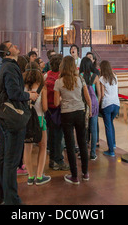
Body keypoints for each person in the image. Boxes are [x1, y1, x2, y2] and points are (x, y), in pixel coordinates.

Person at [0, 41, 38, 205]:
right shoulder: (11, 67)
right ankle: (12, 200)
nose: (16, 46)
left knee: (3, 157)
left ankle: (1, 196)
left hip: (3, 116)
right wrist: (29, 96)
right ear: (7, 53)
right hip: (12, 118)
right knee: (11, 160)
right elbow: (13, 92)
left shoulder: (3, 67)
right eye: (11, 45)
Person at [54, 55, 91, 185]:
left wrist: (62, 99)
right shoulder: (80, 79)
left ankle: (74, 176)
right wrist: (90, 109)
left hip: (66, 114)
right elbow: (87, 97)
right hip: (80, 112)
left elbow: (56, 103)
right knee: (82, 143)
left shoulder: (59, 82)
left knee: (70, 145)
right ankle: (85, 173)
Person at [23, 62, 51, 186]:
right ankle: (39, 176)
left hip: (25, 120)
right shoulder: (42, 87)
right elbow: (45, 108)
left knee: (27, 148)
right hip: (39, 119)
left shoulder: (22, 87)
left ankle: (30, 176)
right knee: (43, 146)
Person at [44, 54, 69, 171]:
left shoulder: (47, 75)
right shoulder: (60, 78)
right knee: (59, 137)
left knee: (51, 136)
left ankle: (52, 160)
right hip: (57, 109)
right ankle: (59, 161)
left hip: (48, 110)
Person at [79, 57, 101, 160]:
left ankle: (82, 152)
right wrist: (97, 102)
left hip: (83, 103)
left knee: (83, 129)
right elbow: (99, 93)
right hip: (94, 103)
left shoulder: (80, 76)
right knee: (94, 129)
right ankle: (93, 153)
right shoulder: (95, 76)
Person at [99, 60, 120, 157]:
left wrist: (99, 104)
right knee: (111, 124)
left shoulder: (102, 78)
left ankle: (111, 150)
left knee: (108, 127)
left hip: (107, 104)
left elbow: (102, 94)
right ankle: (114, 144)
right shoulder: (115, 76)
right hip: (116, 103)